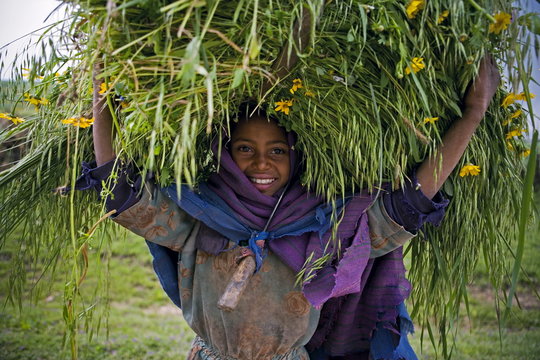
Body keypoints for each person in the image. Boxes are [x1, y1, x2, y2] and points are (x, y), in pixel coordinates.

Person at [76, 56, 500, 359]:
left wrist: (472, 113)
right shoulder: (197, 217)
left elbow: (409, 202)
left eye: (277, 150)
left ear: (296, 157)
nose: (261, 163)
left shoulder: (330, 229)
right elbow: (120, 189)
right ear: (224, 154)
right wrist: (102, 97)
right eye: (245, 149)